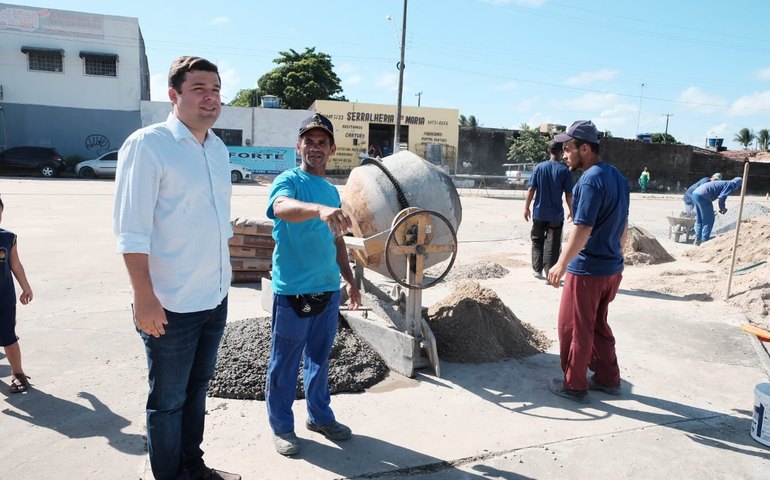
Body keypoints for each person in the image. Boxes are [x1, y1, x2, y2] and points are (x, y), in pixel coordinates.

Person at [113, 56, 241, 480]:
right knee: (167, 402)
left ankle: (193, 467)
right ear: (174, 95)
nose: (210, 98)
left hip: (214, 297)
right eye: (199, 89)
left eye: (216, 89)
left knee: (197, 391)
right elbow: (131, 231)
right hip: (169, 304)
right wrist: (143, 297)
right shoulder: (148, 145)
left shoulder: (218, 149)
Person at [265, 113, 362, 456]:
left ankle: (320, 416)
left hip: (328, 288)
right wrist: (318, 209)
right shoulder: (289, 180)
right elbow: (281, 207)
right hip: (293, 290)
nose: (315, 147)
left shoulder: (331, 191)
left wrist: (350, 280)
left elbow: (337, 239)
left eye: (322, 142)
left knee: (319, 359)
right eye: (309, 141)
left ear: (332, 149)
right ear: (299, 147)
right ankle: (281, 426)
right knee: (284, 363)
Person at [546, 120, 630, 403]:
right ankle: (608, 377)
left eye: (568, 148)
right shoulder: (616, 176)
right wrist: (616, 257)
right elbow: (624, 224)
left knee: (573, 327)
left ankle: (574, 384)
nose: (565, 154)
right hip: (611, 269)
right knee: (597, 324)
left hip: (588, 270)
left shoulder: (590, 180)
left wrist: (562, 263)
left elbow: (583, 227)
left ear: (584, 148)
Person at [523, 140, 574, 281]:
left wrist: (526, 208)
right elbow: (569, 194)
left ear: (548, 151)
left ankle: (537, 270)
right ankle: (550, 274)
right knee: (553, 244)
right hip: (556, 215)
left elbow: (531, 189)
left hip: (539, 213)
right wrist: (571, 210)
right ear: (561, 152)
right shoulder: (564, 170)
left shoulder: (539, 168)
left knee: (537, 240)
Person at [0, 195, 34, 394]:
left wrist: (25, 287)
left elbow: (16, 264)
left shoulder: (8, 237)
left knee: (9, 338)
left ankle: (18, 373)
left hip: (4, 298)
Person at [691, 177, 743, 246]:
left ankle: (697, 239)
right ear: (738, 185)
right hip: (703, 196)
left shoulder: (725, 183)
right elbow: (722, 197)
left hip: (695, 194)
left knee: (700, 219)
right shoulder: (731, 185)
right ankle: (704, 240)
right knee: (709, 219)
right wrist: (722, 208)